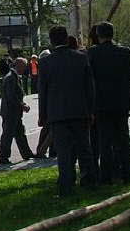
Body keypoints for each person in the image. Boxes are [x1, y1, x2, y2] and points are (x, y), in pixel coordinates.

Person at [38, 25, 96, 195]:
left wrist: (43, 115)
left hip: (57, 113)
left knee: (63, 152)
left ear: (51, 40)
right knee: (84, 148)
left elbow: (43, 91)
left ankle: (66, 183)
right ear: (66, 38)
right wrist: (91, 110)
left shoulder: (45, 62)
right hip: (80, 111)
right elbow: (89, 87)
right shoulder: (80, 58)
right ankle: (89, 180)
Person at [87, 21, 130, 184]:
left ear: (98, 35)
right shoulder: (124, 52)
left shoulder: (92, 54)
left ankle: (106, 175)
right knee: (123, 139)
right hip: (121, 102)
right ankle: (128, 172)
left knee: (104, 141)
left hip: (101, 103)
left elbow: (89, 81)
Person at [0, 57, 35, 165]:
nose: (25, 69)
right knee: (8, 135)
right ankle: (3, 157)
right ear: (18, 65)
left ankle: (26, 153)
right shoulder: (11, 78)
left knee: (20, 133)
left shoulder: (14, 76)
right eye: (24, 66)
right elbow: (11, 97)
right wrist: (22, 105)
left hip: (14, 112)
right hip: (10, 112)